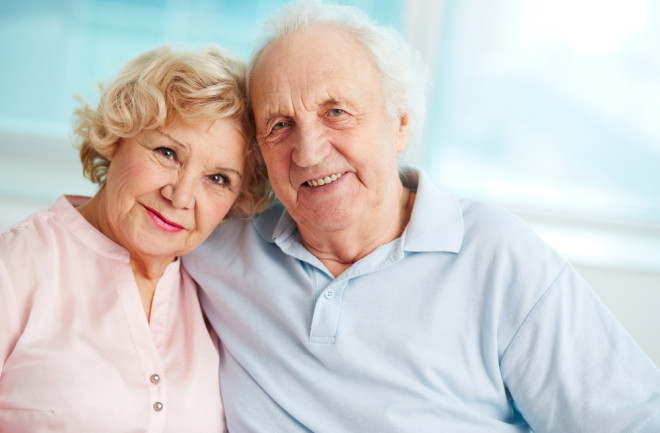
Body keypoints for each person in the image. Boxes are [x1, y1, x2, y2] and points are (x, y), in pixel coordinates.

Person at [184, 1, 660, 432]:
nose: (307, 153)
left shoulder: (499, 258)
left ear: (400, 122)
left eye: (337, 112)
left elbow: (633, 420)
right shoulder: (213, 247)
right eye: (280, 125)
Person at [0, 44, 270, 432]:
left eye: (218, 179)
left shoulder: (217, 296)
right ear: (118, 136)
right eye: (167, 152)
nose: (180, 197)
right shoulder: (14, 267)